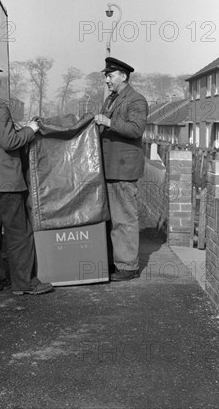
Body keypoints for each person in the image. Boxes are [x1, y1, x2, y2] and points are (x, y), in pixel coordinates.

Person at [0, 59, 53, 295]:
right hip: (6, 180)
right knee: (19, 233)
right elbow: (9, 142)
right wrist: (30, 130)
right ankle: (24, 283)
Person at [94, 57, 148, 281]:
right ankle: (116, 262)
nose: (107, 80)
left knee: (124, 218)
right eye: (106, 75)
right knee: (112, 219)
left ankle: (128, 267)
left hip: (123, 170)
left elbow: (136, 129)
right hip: (109, 168)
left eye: (110, 75)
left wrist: (108, 122)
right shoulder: (111, 100)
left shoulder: (136, 100)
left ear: (123, 76)